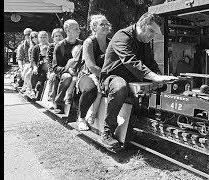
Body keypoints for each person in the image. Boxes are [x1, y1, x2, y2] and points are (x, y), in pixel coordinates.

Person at [99, 12, 178, 149]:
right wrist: (153, 76)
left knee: (161, 87)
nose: (152, 35)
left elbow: (151, 63)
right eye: (151, 31)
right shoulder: (121, 36)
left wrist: (159, 77)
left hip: (132, 77)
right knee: (119, 87)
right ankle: (107, 132)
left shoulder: (144, 42)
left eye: (155, 33)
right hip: (112, 77)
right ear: (141, 24)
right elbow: (130, 60)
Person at [75, 14, 111, 131]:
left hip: (105, 75)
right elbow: (91, 65)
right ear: (94, 27)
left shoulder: (111, 43)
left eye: (107, 24)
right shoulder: (89, 42)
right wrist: (104, 77)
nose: (106, 26)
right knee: (91, 89)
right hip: (87, 74)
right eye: (102, 24)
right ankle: (81, 118)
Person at [52, 19, 83, 114]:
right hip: (64, 73)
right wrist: (68, 70)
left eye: (78, 29)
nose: (79, 31)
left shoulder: (82, 43)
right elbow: (55, 67)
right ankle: (59, 103)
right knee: (67, 78)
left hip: (79, 72)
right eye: (76, 29)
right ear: (67, 30)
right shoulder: (60, 46)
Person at [46, 28, 65, 109]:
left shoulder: (65, 45)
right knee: (53, 77)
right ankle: (51, 100)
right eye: (56, 36)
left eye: (60, 36)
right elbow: (49, 60)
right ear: (53, 38)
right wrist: (51, 71)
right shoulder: (51, 46)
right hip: (53, 69)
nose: (58, 38)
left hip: (63, 68)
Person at [30, 31, 50, 97]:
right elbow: (33, 59)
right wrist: (35, 67)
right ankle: (33, 89)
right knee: (35, 73)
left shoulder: (51, 46)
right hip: (39, 66)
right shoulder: (35, 48)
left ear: (47, 38)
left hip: (49, 67)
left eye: (44, 37)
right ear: (38, 38)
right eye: (41, 37)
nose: (43, 39)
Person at [21, 31, 39, 98]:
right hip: (33, 65)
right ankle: (28, 88)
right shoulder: (31, 48)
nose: (34, 38)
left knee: (29, 74)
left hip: (40, 65)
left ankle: (30, 89)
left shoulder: (43, 45)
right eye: (32, 37)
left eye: (35, 36)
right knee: (26, 74)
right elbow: (31, 59)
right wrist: (32, 66)